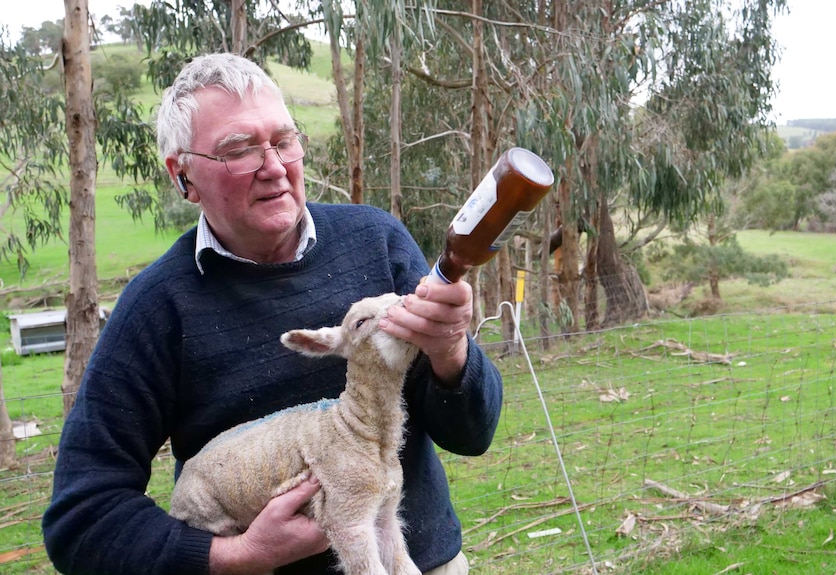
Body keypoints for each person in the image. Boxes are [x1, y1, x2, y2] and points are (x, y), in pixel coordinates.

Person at [42, 53, 503, 575]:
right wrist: (239, 556)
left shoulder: (376, 240)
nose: (275, 167)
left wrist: (450, 352)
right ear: (183, 176)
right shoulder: (156, 308)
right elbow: (81, 520)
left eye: (284, 141)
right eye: (239, 150)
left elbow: (472, 434)